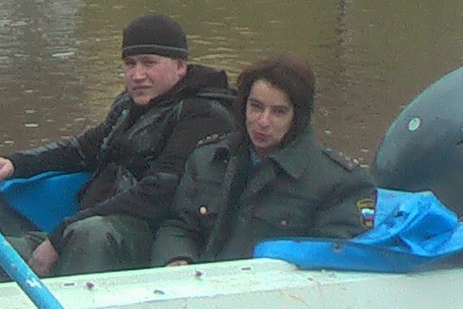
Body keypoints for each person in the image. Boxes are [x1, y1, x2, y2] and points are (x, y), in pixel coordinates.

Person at [0, 13, 235, 277]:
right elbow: (79, 150)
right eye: (130, 64)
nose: (137, 74)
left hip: (149, 239)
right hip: (86, 227)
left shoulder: (205, 114)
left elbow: (159, 191)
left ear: (180, 66)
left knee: (91, 234)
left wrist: (62, 234)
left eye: (149, 63)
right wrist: (15, 163)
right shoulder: (127, 107)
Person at [152, 55, 375, 266]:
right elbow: (179, 225)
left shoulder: (340, 182)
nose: (263, 121)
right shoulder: (208, 160)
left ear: (298, 116)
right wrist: (178, 261)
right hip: (200, 287)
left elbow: (333, 262)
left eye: (278, 112)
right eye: (256, 107)